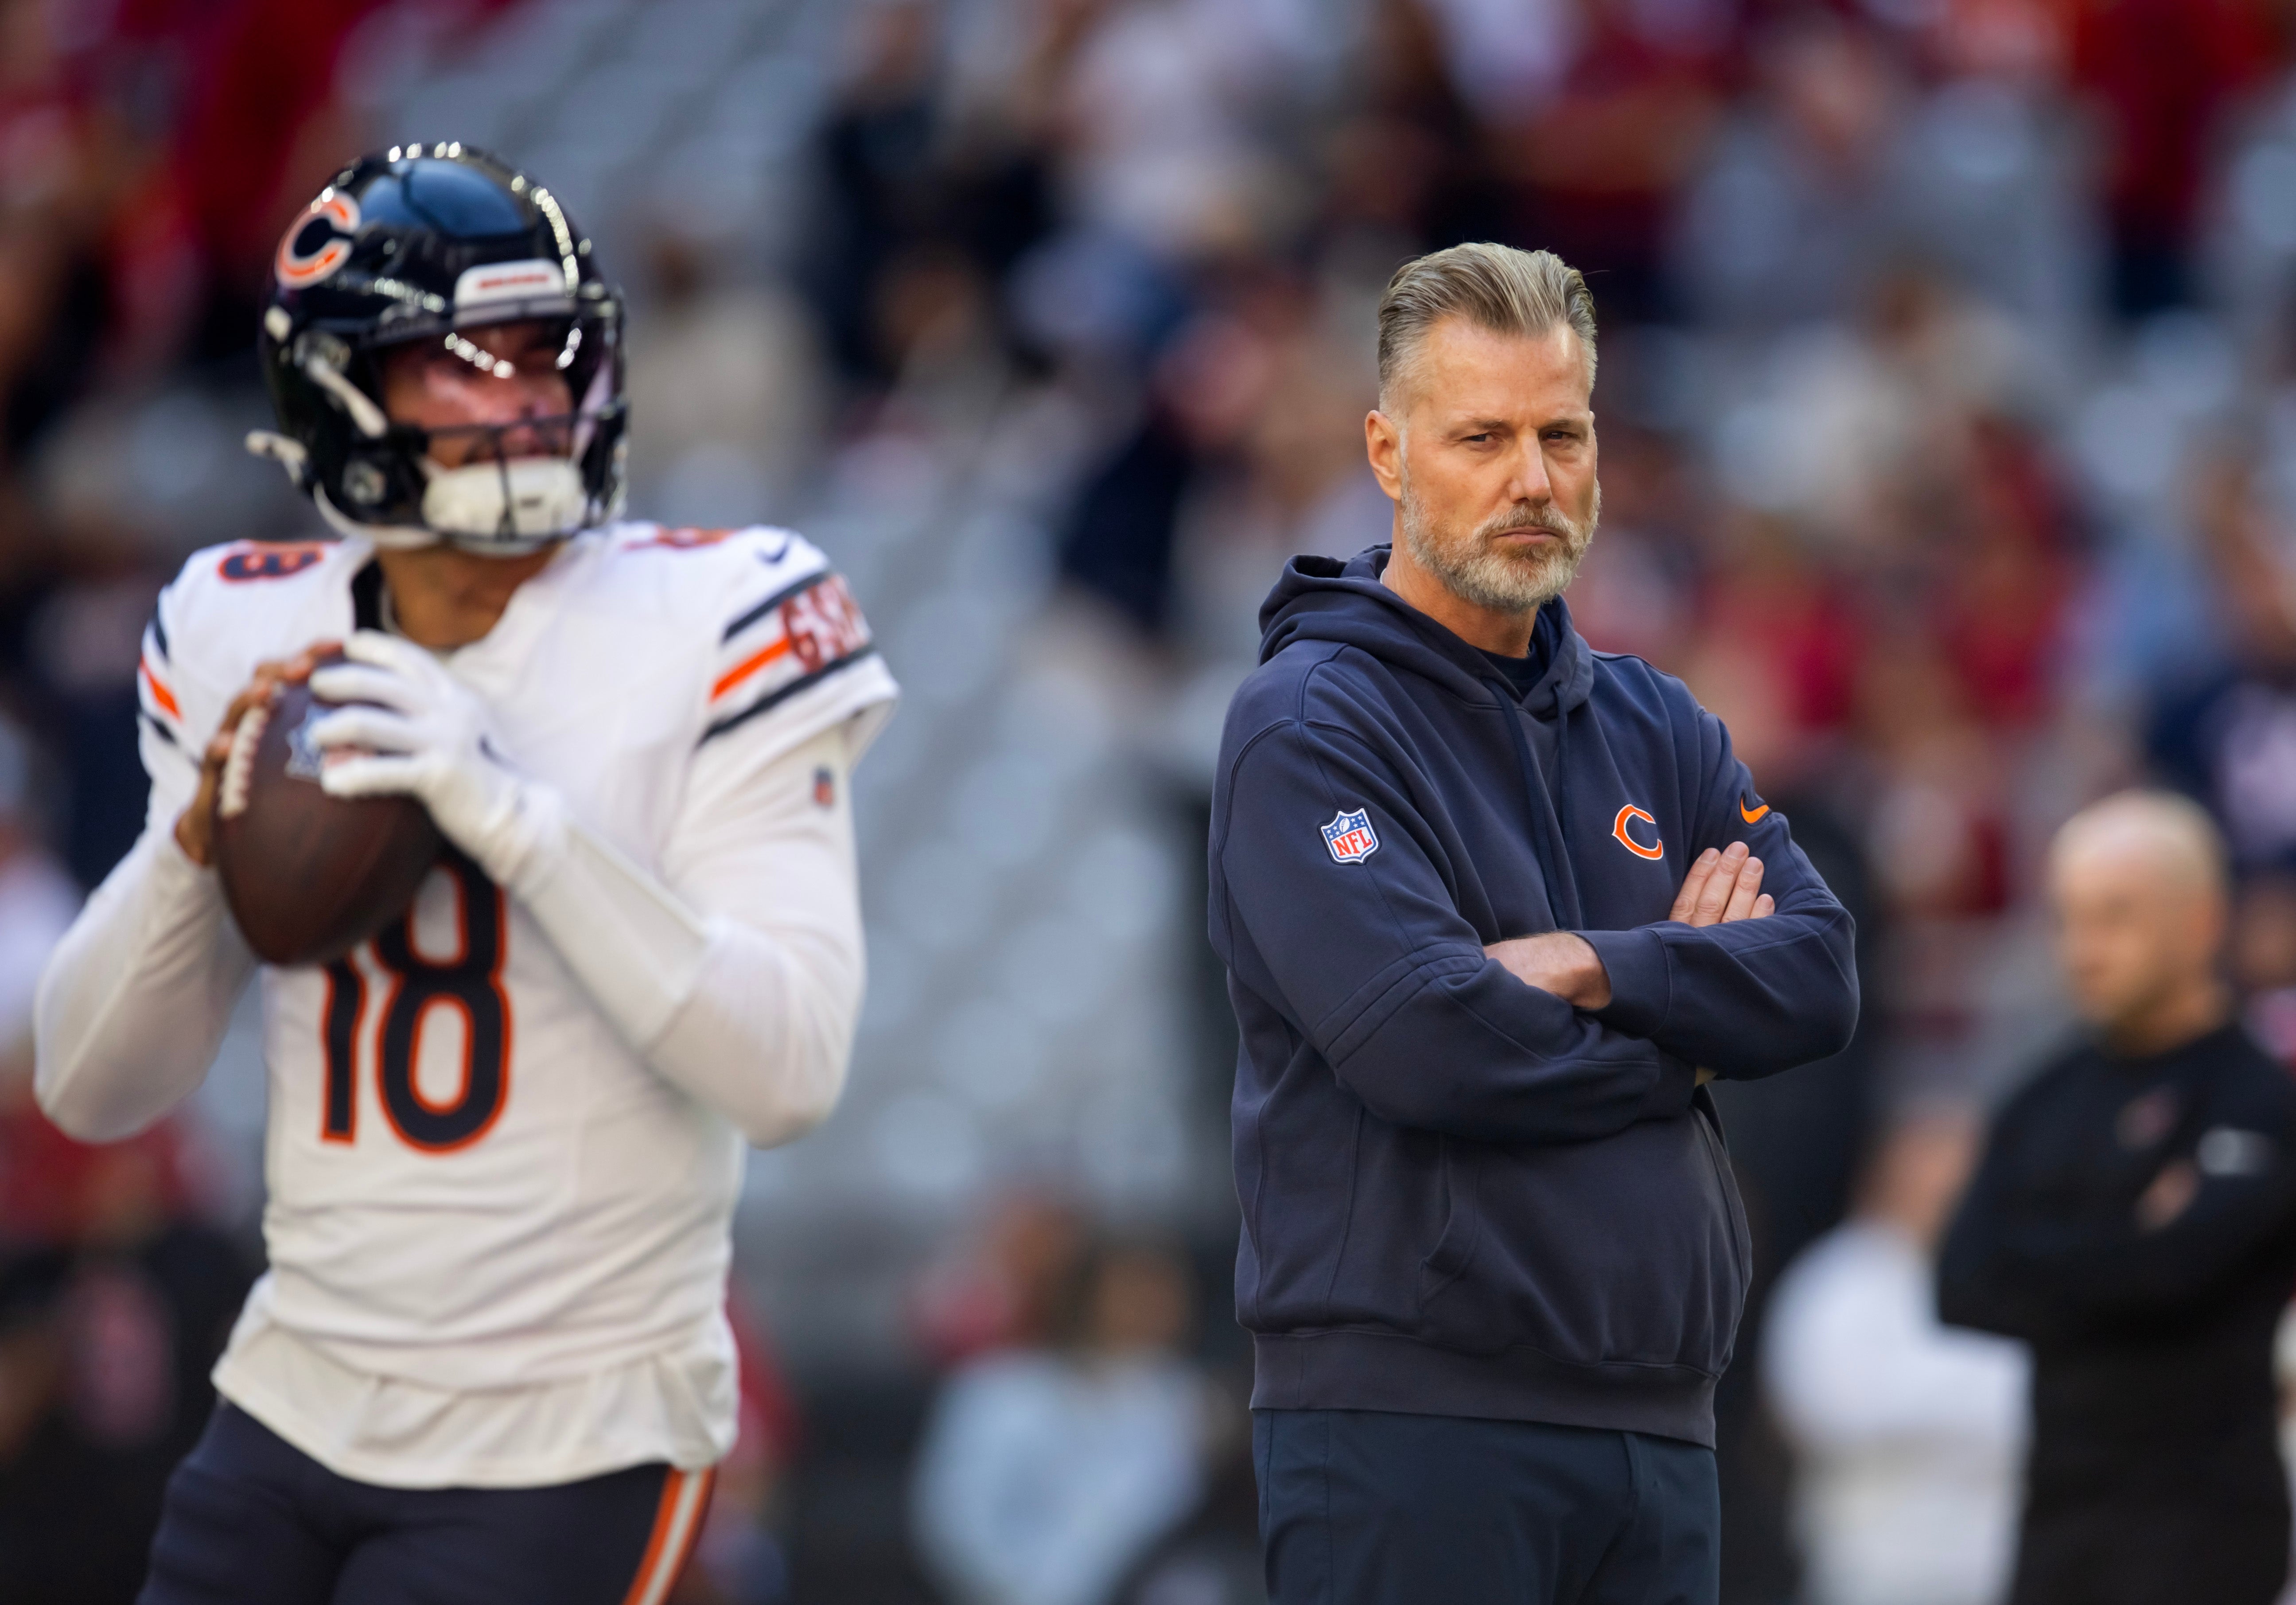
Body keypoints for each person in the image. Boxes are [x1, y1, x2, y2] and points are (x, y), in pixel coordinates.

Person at [31, 146, 898, 1605]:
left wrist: (509, 815)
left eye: (548, 354)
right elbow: (93, 1086)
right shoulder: (243, 627)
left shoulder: (724, 609)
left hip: (574, 1425)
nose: (524, 402)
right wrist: (196, 845)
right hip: (296, 1395)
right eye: (463, 366)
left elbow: (790, 1067)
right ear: (338, 393)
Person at [1206, 241, 1859, 1605]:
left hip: (1660, 1421)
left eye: (1560, 434)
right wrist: (1683, 1024)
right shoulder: (1307, 727)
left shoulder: (1654, 720)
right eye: (1481, 437)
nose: (1529, 480)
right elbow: (1426, 1043)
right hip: (1410, 1425)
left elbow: (1814, 973)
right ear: (1386, 453)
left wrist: (1590, 966)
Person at [1938, 791, 2296, 1605]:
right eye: (2068, 919)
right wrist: (2126, 1242)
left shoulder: (2252, 1098)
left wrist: (2049, 1255)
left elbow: (2176, 1270)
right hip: (2058, 1518)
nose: (2083, 949)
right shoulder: (2041, 1096)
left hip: (2202, 1522)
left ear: (2203, 921)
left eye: (2116, 916)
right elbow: (1958, 1283)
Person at [1764, 1110, 2027, 1605]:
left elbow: (2047, 1406)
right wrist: (1974, 1399)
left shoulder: (2011, 1276)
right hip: (1874, 1576)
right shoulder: (1841, 1277)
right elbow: (1838, 1407)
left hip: (1992, 1575)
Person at [910, 1239, 1215, 1605]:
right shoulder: (996, 1392)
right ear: (1085, 1296)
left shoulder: (1189, 1399)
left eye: (1167, 1291)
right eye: (1135, 1290)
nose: (1155, 1306)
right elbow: (957, 1523)